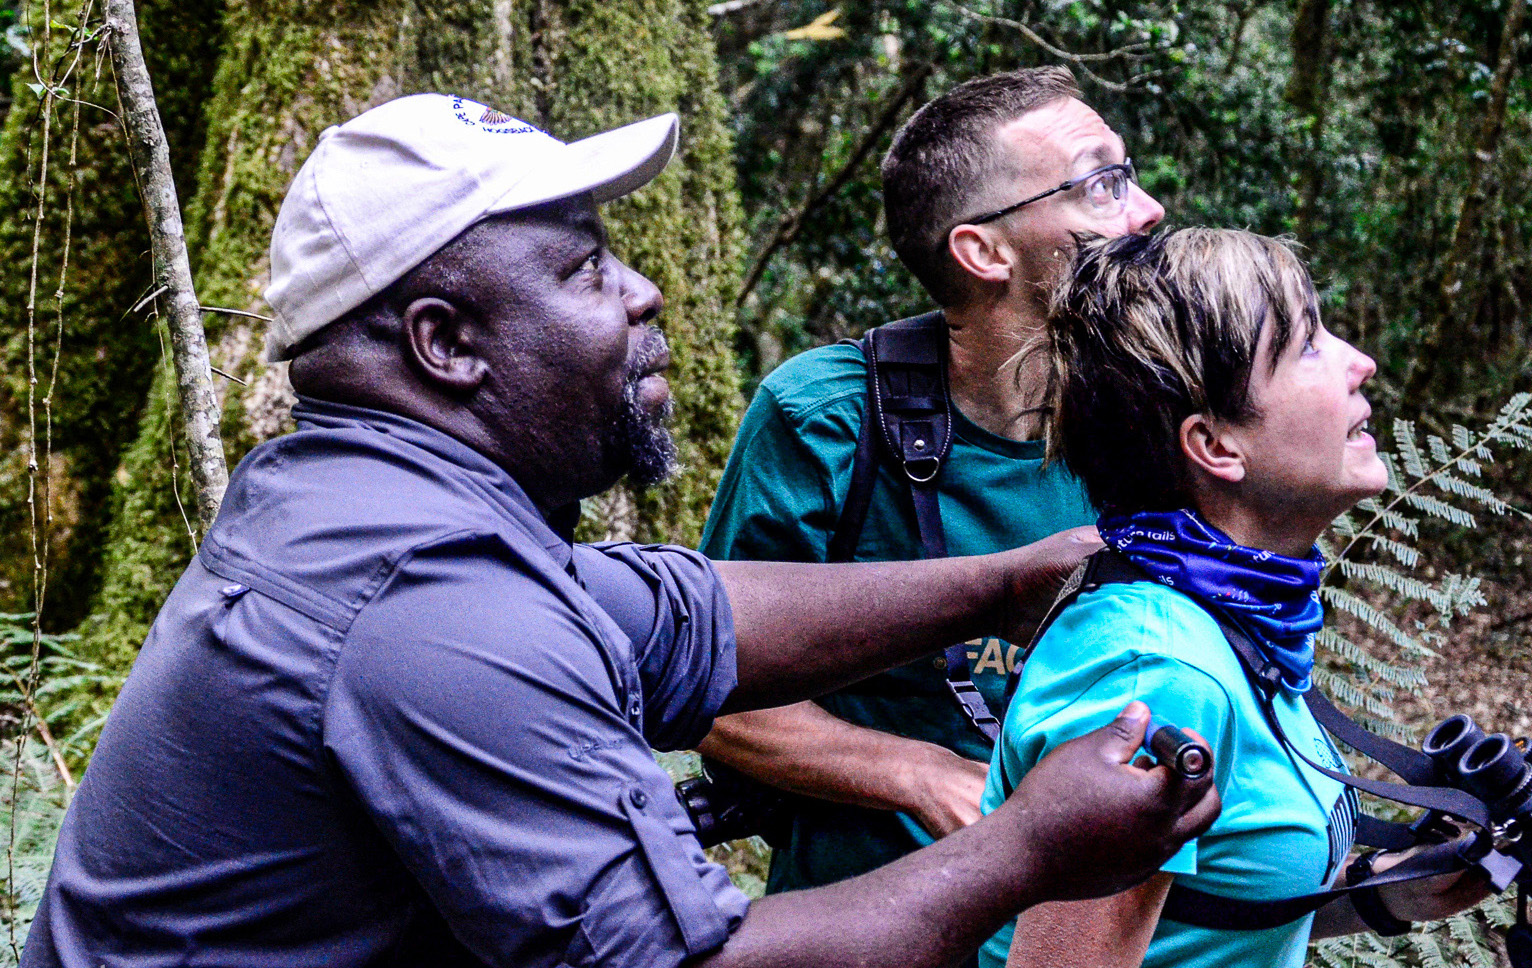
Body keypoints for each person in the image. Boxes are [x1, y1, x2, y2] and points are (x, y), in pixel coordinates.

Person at [20, 95, 1220, 968]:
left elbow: (683, 614)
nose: (643, 291)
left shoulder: (354, 501)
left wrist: (1006, 581)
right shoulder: (427, 598)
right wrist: (1026, 846)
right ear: (446, 343)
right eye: (586, 267)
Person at [697, 66, 1166, 895]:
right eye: (1101, 183)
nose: (1148, 209)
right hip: (865, 918)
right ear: (982, 250)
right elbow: (711, 694)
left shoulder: (1155, 419)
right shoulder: (827, 420)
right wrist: (919, 772)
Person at [979, 228, 1489, 968]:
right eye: (1308, 345)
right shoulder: (1156, 675)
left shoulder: (1235, 622)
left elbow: (1198, 917)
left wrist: (1384, 897)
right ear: (1216, 445)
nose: (1360, 362)